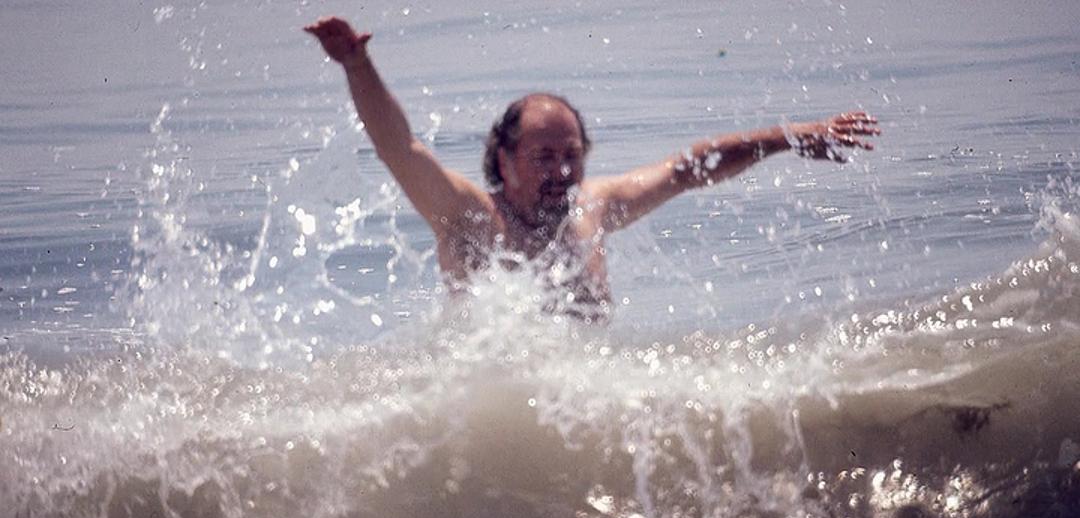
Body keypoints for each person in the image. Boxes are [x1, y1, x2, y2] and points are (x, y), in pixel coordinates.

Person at [304, 17, 879, 319]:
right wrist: (358, 66)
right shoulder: (469, 219)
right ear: (504, 161)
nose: (562, 171)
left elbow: (689, 168)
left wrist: (787, 138)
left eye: (572, 156)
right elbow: (400, 150)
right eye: (544, 157)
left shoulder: (592, 211)